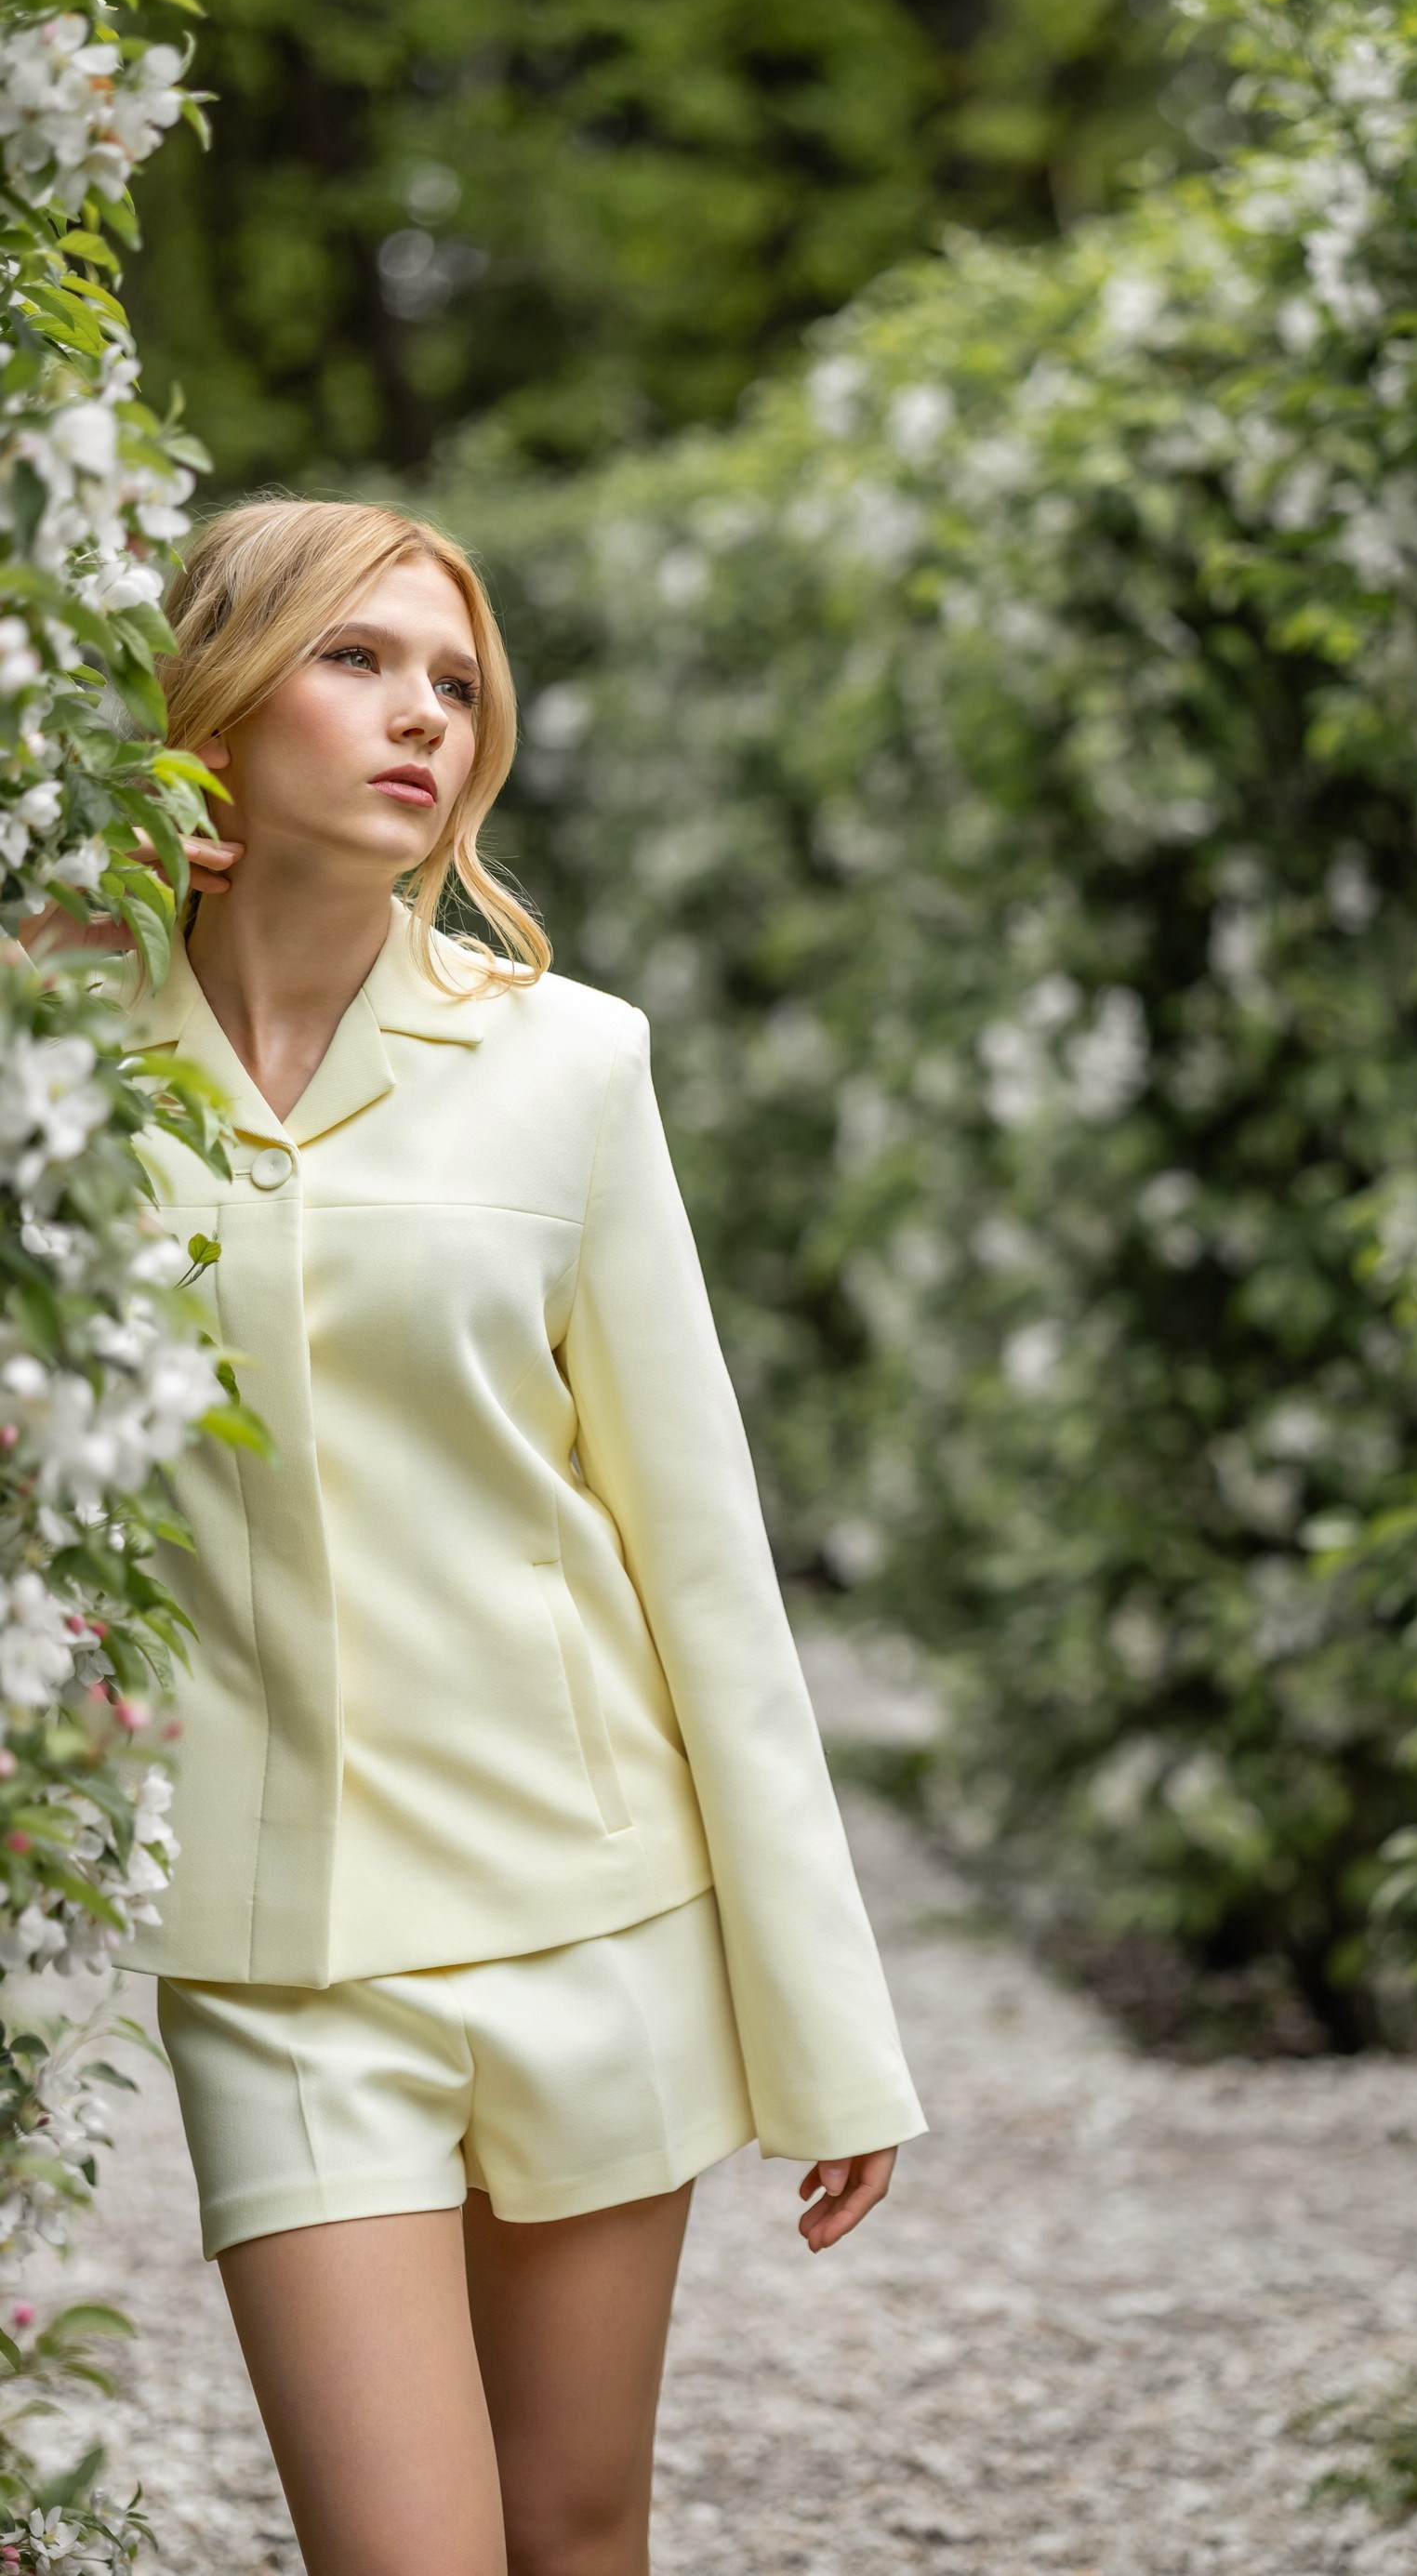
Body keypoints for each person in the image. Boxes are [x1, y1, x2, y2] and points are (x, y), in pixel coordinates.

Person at [33, 495, 924, 2576]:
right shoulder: (60, 1069)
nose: (422, 713)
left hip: (595, 1915)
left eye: (455, 678)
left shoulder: (571, 1064)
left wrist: (832, 2038)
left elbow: (703, 1564)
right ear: (213, 706)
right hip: (279, 1958)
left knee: (575, 2529)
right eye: (354, 661)